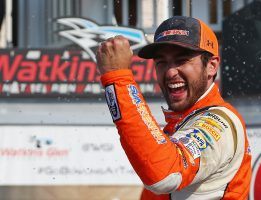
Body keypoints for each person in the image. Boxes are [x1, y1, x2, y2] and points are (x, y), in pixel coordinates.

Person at [96, 16, 251, 200]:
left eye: (182, 60)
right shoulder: (181, 122)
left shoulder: (220, 121)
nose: (170, 72)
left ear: (211, 66)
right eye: (162, 62)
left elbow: (165, 175)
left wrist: (118, 79)